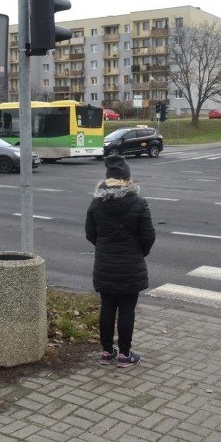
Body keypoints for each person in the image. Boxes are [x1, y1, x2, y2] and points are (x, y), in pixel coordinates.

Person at [85, 154, 155, 368]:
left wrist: (105, 249)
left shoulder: (96, 203)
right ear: (127, 178)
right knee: (127, 309)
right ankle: (125, 355)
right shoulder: (139, 203)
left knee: (107, 307)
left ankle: (106, 352)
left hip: (105, 264)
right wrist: (138, 252)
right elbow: (148, 236)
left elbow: (90, 233)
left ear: (108, 178)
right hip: (131, 265)